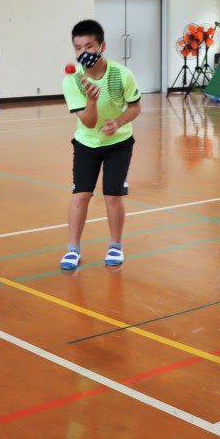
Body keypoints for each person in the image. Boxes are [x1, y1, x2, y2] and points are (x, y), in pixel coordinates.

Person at [60, 19, 142, 270]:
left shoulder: (121, 74)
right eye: (77, 48)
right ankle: (73, 250)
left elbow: (136, 106)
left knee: (113, 196)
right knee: (80, 195)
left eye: (88, 46)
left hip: (119, 143)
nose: (83, 53)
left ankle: (115, 246)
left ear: (102, 45)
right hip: (86, 143)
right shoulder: (72, 80)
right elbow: (88, 121)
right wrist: (92, 101)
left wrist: (117, 123)